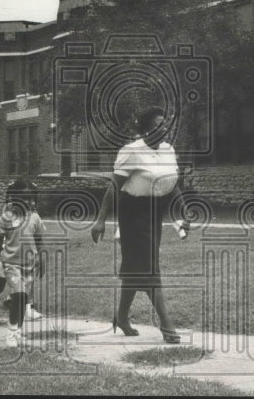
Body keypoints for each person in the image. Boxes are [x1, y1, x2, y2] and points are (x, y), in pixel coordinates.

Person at [91, 106, 191, 344]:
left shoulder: (168, 150)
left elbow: (172, 182)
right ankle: (167, 325)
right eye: (158, 125)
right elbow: (114, 187)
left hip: (155, 211)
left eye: (165, 124)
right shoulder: (132, 151)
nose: (164, 128)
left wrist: (184, 209)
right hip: (133, 212)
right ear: (146, 130)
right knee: (148, 268)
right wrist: (100, 219)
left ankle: (121, 317)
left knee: (137, 267)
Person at [0, 180, 45, 347]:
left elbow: (39, 239)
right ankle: (11, 333)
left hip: (29, 265)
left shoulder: (34, 217)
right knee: (18, 295)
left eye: (32, 198)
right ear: (14, 198)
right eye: (25, 198)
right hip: (11, 264)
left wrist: (41, 258)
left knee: (23, 299)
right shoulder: (6, 217)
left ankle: (18, 331)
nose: (30, 202)